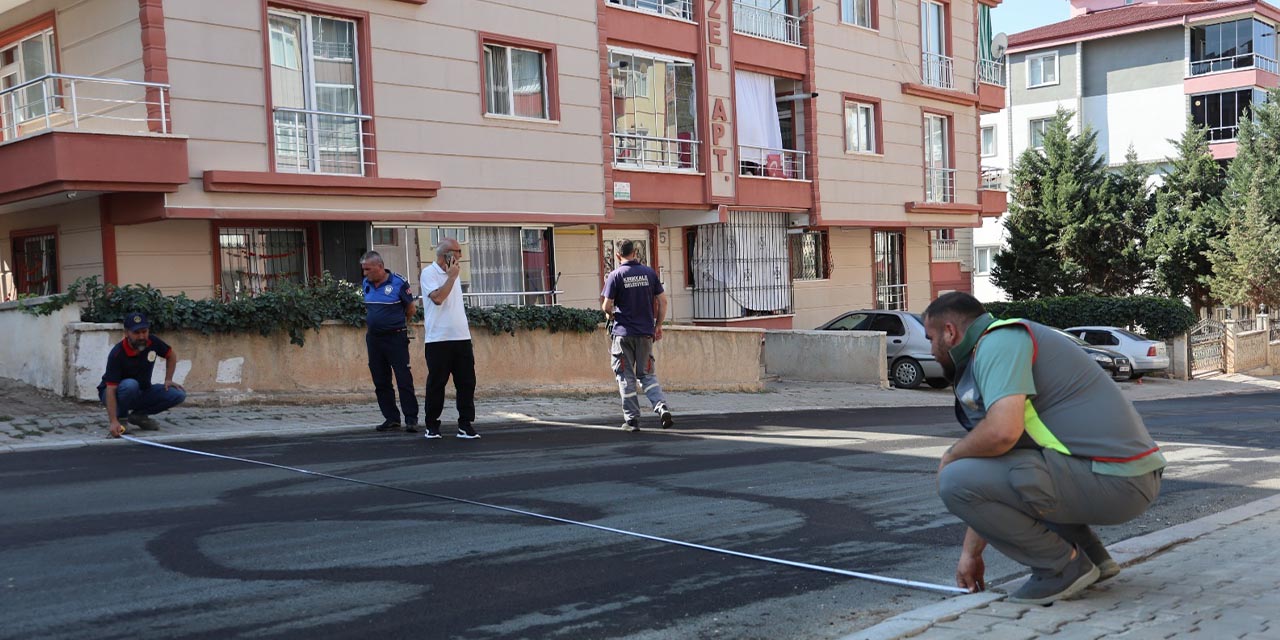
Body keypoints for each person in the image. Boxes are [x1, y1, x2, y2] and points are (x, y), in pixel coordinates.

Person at [922, 292, 1166, 605]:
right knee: (1017, 471)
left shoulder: (998, 343)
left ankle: (1062, 569)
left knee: (954, 479)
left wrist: (951, 455)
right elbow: (1002, 466)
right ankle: (1093, 559)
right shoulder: (1010, 339)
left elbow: (1001, 433)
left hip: (1115, 480)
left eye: (930, 338)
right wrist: (971, 554)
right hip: (1123, 476)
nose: (930, 350)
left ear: (950, 332)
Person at [601, 239, 674, 432]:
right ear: (635, 252)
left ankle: (632, 421)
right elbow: (663, 301)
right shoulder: (649, 273)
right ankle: (661, 407)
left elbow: (606, 306)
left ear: (618, 256)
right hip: (645, 334)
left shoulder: (615, 275)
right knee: (647, 374)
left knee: (626, 376)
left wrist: (611, 315)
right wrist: (658, 325)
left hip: (623, 334)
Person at [419, 238, 479, 440]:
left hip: (461, 336)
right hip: (438, 338)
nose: (461, 256)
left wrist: (452, 276)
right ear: (446, 254)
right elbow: (437, 298)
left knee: (466, 382)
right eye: (458, 252)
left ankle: (465, 424)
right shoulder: (429, 273)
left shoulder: (453, 273)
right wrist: (452, 278)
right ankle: (432, 425)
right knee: (437, 383)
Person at [98, 312, 186, 438]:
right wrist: (113, 421)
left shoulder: (153, 342)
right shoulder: (117, 354)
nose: (141, 336)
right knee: (130, 385)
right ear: (127, 333)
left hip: (141, 391)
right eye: (136, 333)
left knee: (178, 394)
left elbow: (171, 355)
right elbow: (111, 389)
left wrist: (168, 379)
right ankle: (121, 418)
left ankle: (138, 416)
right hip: (113, 393)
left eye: (144, 332)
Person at [361, 251, 419, 433]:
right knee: (380, 380)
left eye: (367, 269)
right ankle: (391, 418)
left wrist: (398, 324)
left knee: (403, 378)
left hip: (395, 337)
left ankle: (411, 418)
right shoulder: (366, 284)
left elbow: (410, 309)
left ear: (379, 266)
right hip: (374, 339)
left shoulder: (398, 283)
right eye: (363, 270)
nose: (365, 274)